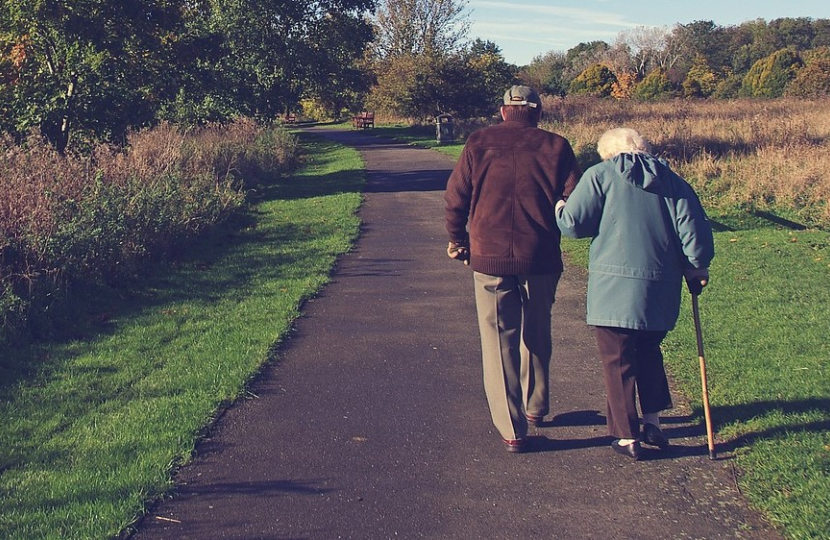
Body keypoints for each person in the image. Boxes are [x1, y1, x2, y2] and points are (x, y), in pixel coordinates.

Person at [555, 127, 715, 460]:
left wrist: (559, 206)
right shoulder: (673, 181)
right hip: (661, 287)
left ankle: (627, 436)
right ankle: (653, 422)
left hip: (613, 287)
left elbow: (573, 224)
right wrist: (697, 268)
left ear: (608, 153)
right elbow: (694, 233)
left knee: (617, 359)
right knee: (648, 351)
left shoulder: (600, 175)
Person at [444, 85, 582, 453]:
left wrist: (458, 240)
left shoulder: (478, 142)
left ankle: (512, 428)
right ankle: (536, 405)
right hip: (540, 255)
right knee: (537, 330)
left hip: (488, 256)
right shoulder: (557, 146)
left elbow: (455, 197)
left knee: (498, 340)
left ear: (504, 110)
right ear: (538, 111)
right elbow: (574, 199)